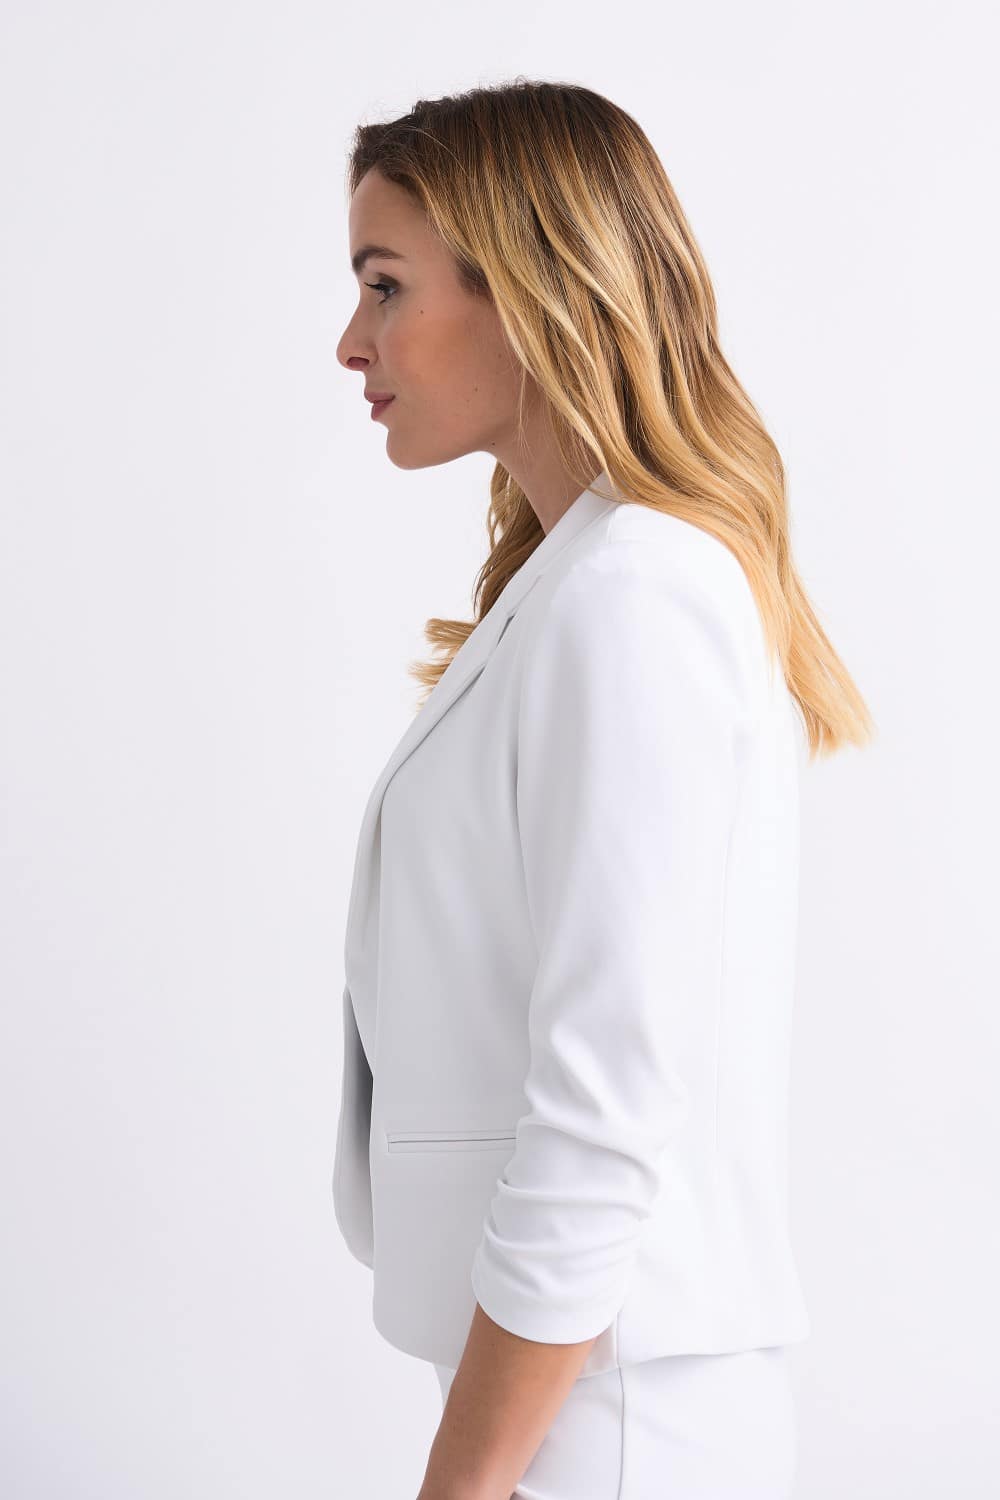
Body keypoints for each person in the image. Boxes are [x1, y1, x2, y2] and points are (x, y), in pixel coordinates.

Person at [333, 79, 873, 1500]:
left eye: (384, 286)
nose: (351, 341)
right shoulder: (582, 581)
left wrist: (462, 1486)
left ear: (525, 288)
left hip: (613, 1417)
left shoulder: (635, 593)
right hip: (577, 1388)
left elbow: (601, 1106)